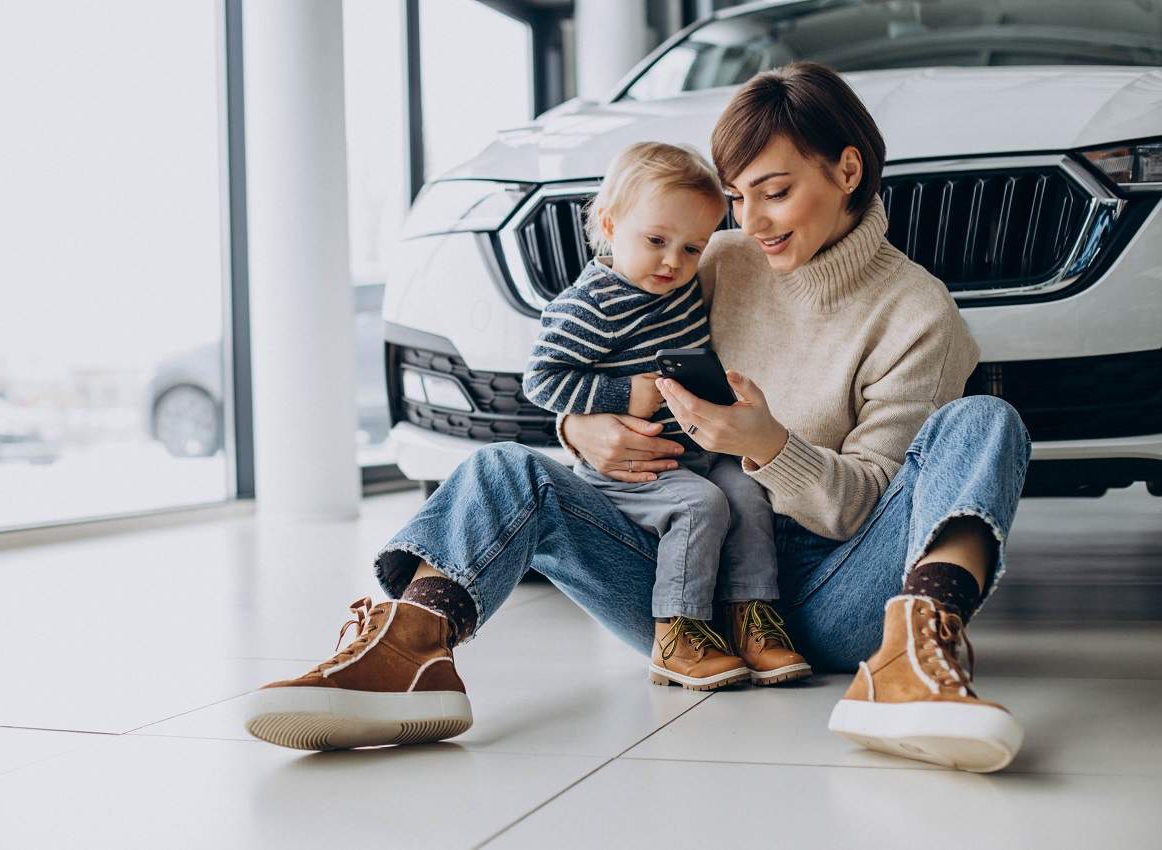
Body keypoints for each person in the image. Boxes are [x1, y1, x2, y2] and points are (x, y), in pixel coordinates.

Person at [243, 62, 1031, 774]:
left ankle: (917, 656)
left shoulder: (916, 312)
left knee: (986, 421)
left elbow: (871, 502)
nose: (751, 222)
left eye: (777, 190)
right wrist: (583, 427)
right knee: (500, 470)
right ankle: (411, 652)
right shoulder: (715, 261)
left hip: (835, 594)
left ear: (848, 169)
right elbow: (610, 364)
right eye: (738, 196)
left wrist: (769, 447)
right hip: (684, 591)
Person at [521, 140, 809, 690]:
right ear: (609, 225)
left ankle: (752, 619)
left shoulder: (679, 287)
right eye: (656, 241)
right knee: (700, 506)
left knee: (748, 493)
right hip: (636, 468)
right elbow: (541, 380)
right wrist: (622, 396)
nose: (673, 262)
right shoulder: (591, 306)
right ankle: (678, 633)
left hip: (698, 451)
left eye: (692, 247)